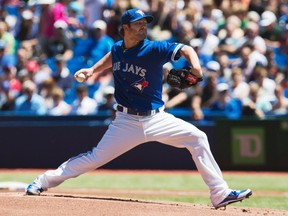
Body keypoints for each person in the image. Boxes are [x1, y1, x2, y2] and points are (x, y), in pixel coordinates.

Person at [26, 8, 252, 209]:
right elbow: (112, 56)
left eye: (145, 23)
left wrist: (196, 68)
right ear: (125, 28)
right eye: (138, 24)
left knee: (198, 138)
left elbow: (187, 50)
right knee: (94, 158)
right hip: (126, 122)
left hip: (157, 118)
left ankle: (220, 193)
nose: (143, 27)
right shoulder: (118, 49)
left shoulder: (154, 48)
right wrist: (92, 70)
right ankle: (42, 181)